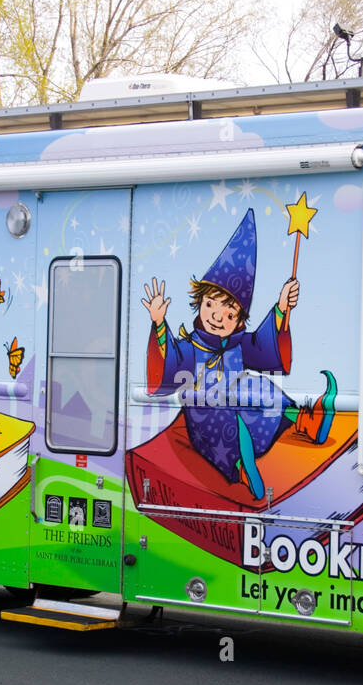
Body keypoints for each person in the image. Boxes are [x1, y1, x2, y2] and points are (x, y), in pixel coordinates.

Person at [141, 209, 335, 499]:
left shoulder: (238, 342)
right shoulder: (192, 347)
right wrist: (159, 323)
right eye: (211, 305)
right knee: (215, 415)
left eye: (228, 311)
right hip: (205, 409)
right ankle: (239, 464)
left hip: (239, 398)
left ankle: (304, 420)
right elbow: (171, 368)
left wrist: (281, 307)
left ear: (239, 319)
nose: (218, 317)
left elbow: (264, 349)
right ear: (199, 303)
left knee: (262, 389)